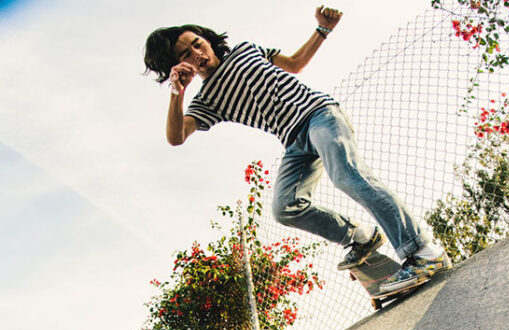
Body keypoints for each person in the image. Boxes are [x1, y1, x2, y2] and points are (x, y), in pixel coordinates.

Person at [143, 7, 451, 295]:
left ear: (207, 40)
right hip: (293, 140)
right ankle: (361, 236)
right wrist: (177, 93)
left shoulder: (246, 50)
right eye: (186, 54)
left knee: (347, 176)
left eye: (198, 44)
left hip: (318, 115)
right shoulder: (206, 100)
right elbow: (176, 136)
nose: (198, 54)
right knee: (285, 207)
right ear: (178, 65)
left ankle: (424, 251)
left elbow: (294, 64)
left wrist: (322, 30)